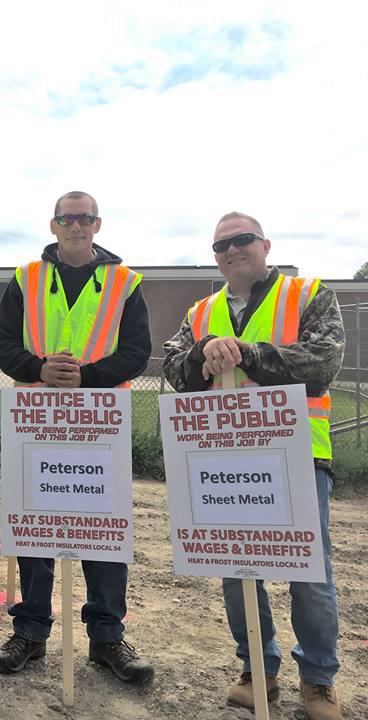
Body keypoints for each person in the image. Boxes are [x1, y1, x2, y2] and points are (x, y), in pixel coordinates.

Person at [163, 211, 344, 720]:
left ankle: (319, 680)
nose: (231, 250)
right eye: (221, 245)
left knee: (310, 573)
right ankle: (256, 670)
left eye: (242, 240)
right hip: (221, 454)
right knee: (236, 566)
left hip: (298, 454)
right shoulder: (201, 311)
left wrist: (246, 352)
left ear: (264, 245)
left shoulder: (309, 295)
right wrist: (204, 353)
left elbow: (322, 364)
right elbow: (175, 368)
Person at [0, 190, 154, 683]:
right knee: (34, 525)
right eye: (67, 218)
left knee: (103, 531)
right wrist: (40, 368)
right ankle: (31, 632)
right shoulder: (27, 278)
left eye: (84, 218)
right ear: (53, 224)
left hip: (100, 421)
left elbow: (138, 351)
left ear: (97, 225)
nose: (75, 225)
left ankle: (107, 637)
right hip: (38, 420)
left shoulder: (125, 283)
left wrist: (88, 376)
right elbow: (1, 344)